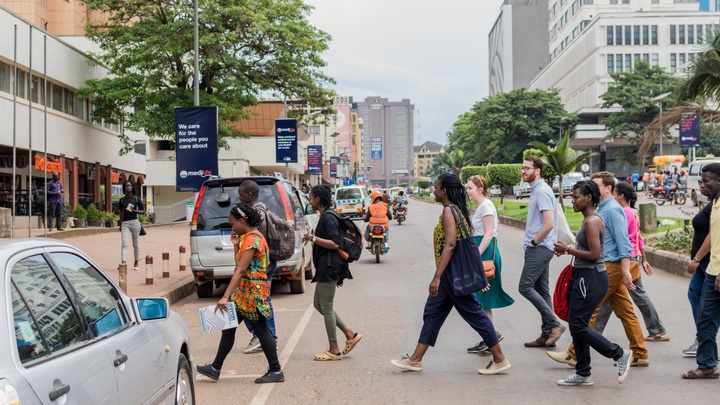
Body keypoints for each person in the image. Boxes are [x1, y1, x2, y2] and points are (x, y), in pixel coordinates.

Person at [390, 173, 511, 374]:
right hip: (451, 276)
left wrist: (437, 276)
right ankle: (415, 359)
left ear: (444, 190)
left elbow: (451, 245)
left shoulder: (449, 211)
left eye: (436, 187)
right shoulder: (456, 210)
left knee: (476, 315)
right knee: (433, 314)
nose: (434, 191)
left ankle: (499, 358)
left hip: (452, 275)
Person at [547, 171, 648, 367]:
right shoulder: (601, 210)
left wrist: (626, 271)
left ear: (607, 188)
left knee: (587, 313)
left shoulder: (611, 210)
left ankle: (575, 353)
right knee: (625, 311)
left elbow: (624, 242)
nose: (592, 188)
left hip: (611, 265)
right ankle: (639, 352)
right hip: (606, 264)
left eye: (596, 185)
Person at [197, 203, 284, 384]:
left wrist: (225, 296)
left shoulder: (253, 239)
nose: (232, 227)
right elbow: (239, 264)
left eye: (233, 223)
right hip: (244, 293)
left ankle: (276, 370)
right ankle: (215, 368)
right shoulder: (247, 238)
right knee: (229, 330)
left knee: (261, 330)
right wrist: (235, 245)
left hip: (252, 294)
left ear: (242, 220)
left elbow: (240, 271)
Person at [592, 181, 668, 342]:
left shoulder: (621, 212)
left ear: (620, 195)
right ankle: (594, 333)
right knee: (614, 300)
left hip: (624, 259)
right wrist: (644, 259)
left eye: (615, 193)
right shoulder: (630, 212)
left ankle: (656, 328)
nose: (612, 196)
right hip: (632, 257)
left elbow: (624, 240)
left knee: (623, 297)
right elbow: (638, 237)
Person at [302, 185, 362, 361]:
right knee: (318, 304)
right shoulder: (327, 214)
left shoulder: (328, 217)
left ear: (318, 199)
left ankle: (334, 349)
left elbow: (335, 243)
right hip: (327, 266)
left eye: (311, 197)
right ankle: (349, 333)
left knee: (326, 307)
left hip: (329, 266)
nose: (310, 200)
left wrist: (312, 238)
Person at [465, 175, 514, 354]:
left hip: (484, 252)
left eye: (470, 188)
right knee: (482, 301)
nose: (467, 191)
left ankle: (491, 337)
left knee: (481, 299)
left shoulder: (485, 206)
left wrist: (476, 255)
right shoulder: (482, 206)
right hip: (482, 250)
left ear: (480, 189)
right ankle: (488, 337)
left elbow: (489, 233)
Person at [518, 156, 564, 348]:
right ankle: (547, 334)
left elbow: (549, 223)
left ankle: (554, 325)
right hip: (541, 247)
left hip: (540, 247)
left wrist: (533, 242)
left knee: (525, 287)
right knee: (541, 290)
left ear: (537, 170)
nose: (523, 171)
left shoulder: (542, 191)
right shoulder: (537, 190)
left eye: (527, 168)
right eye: (522, 168)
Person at [682, 163, 720, 379]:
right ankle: (707, 365)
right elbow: (714, 237)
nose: (701, 184)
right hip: (712, 271)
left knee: (707, 318)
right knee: (706, 319)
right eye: (700, 180)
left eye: (706, 180)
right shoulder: (714, 204)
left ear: (719, 181)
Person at [237, 180, 278, 354]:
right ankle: (264, 336)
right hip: (260, 264)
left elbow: (255, 242)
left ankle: (268, 337)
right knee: (254, 299)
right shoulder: (262, 209)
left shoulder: (257, 214)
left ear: (250, 195)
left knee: (261, 299)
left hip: (260, 265)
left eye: (241, 194)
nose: (239, 197)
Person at [118, 180, 144, 271]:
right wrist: (120, 223)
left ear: (132, 187)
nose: (128, 187)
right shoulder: (122, 200)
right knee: (124, 243)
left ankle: (136, 262)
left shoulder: (136, 198)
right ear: (124, 188)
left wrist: (134, 211)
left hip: (135, 222)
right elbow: (121, 212)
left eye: (129, 186)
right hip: (125, 223)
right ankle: (123, 263)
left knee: (135, 244)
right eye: (126, 186)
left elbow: (143, 211)